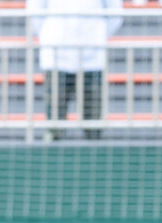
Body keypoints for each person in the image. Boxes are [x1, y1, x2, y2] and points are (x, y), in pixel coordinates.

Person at [28, 0, 123, 140]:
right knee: (55, 122)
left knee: (93, 122)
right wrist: (49, 36)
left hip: (92, 55)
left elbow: (115, 13)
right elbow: (35, 12)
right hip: (56, 54)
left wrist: (98, 36)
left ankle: (93, 145)